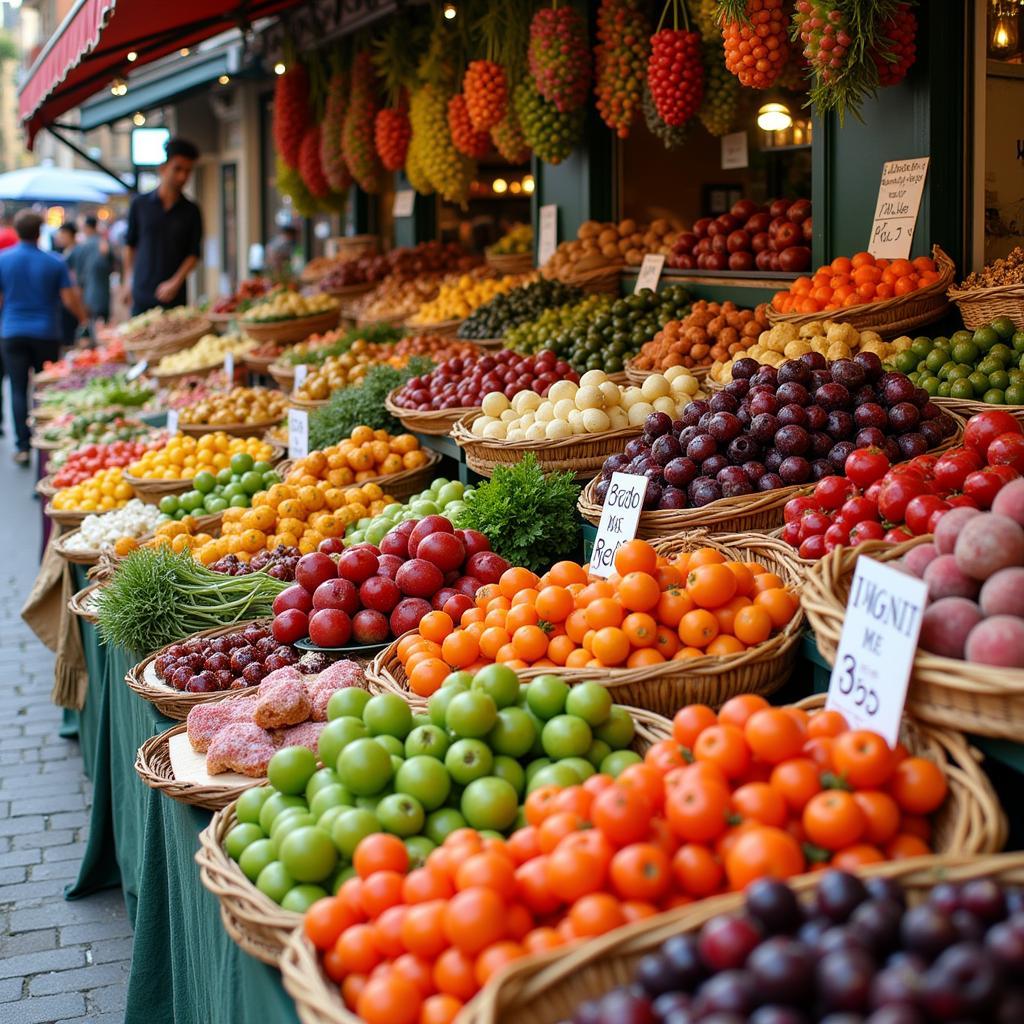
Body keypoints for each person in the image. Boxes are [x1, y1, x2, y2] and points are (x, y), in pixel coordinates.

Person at [0, 210, 87, 464]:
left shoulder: (3, 260)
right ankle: (46, 442)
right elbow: (69, 298)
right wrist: (84, 320)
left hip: (12, 331)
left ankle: (23, 445)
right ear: (40, 232)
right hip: (46, 333)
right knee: (46, 391)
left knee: (18, 388)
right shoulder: (54, 262)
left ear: (17, 230)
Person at [120, 136, 202, 316]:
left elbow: (193, 254)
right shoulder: (139, 204)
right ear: (163, 168)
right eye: (177, 169)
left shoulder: (192, 210)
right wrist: (128, 281)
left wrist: (175, 282)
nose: (183, 176)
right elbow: (129, 245)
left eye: (188, 171)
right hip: (141, 294)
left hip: (175, 298)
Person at [70, 215, 112, 339]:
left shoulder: (82, 246)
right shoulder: (104, 243)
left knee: (90, 324)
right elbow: (112, 265)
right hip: (103, 290)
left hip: (87, 291)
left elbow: (73, 267)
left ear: (87, 228)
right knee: (102, 325)